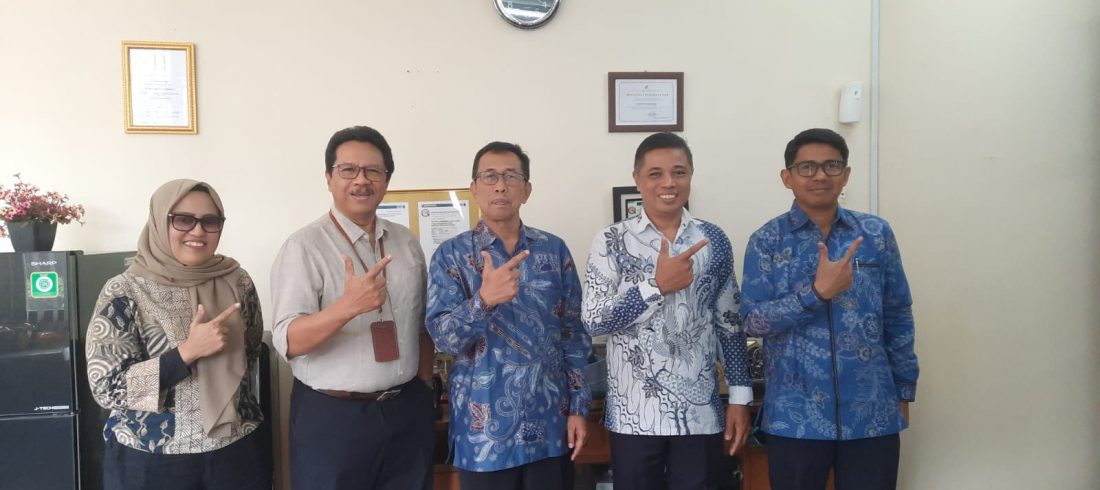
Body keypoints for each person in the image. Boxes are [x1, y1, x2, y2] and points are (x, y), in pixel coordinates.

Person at [740, 128, 919, 490]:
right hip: (795, 417)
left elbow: (898, 313)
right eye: (807, 167)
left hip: (871, 411)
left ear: (846, 174)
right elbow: (752, 321)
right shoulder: (767, 240)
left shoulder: (875, 234)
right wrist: (816, 294)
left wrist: (904, 389)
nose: (820, 175)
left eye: (831, 165)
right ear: (787, 177)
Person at [582, 132, 752, 490]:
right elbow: (594, 320)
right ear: (637, 179)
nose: (669, 183)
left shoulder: (713, 239)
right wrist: (655, 286)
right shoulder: (611, 241)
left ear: (691, 175)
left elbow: (730, 323)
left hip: (700, 414)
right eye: (655, 173)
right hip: (634, 415)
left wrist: (740, 397)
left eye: (679, 172)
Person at [270, 125, 436, 490]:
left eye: (373, 170)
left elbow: (421, 323)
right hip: (333, 419)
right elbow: (288, 341)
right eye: (348, 170)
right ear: (329, 178)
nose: (361, 180)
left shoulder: (406, 243)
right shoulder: (303, 247)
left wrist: (425, 387)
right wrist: (347, 307)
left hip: (406, 409)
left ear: (386, 179)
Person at [425, 141, 591, 490]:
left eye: (511, 176)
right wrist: (484, 301)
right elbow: (443, 338)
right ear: (474, 189)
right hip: (484, 437)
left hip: (550, 426)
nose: (500, 185)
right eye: (490, 176)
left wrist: (579, 406)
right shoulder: (451, 255)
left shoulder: (554, 249)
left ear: (526, 190)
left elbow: (574, 333)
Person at [86, 179, 271, 490]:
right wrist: (187, 353)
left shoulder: (238, 281)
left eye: (210, 221)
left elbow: (251, 351)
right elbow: (107, 389)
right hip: (151, 457)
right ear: (160, 222)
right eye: (183, 220)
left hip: (236, 450)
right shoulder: (125, 290)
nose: (198, 231)